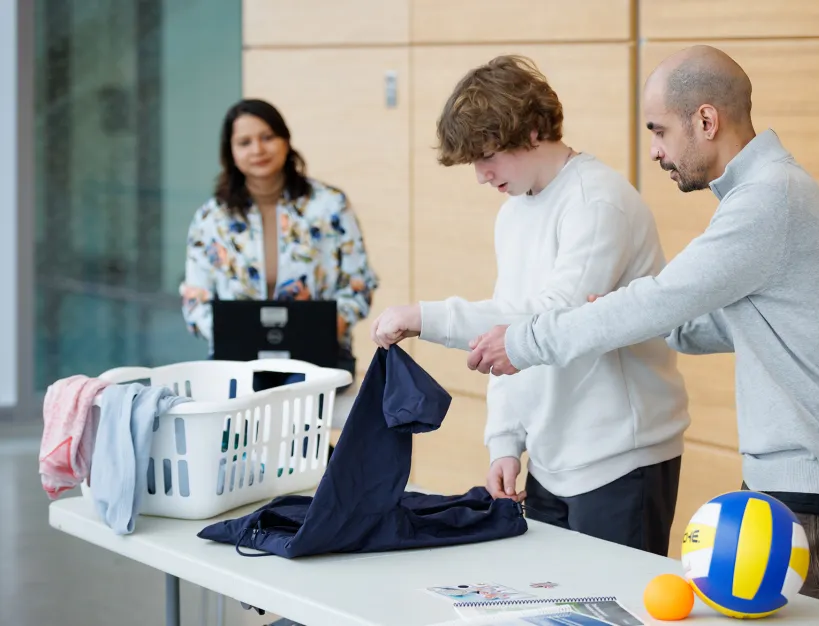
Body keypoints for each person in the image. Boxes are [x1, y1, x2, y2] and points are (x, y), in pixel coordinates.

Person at [466, 45, 819, 614]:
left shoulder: (768, 201)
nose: (655, 150)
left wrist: (523, 341)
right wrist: (623, 311)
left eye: (660, 130)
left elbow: (663, 299)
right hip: (793, 491)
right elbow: (703, 321)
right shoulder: (766, 195)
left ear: (706, 120)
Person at [370, 55, 690, 556]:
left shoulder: (595, 201)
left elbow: (551, 322)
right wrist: (504, 440)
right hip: (553, 456)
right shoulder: (514, 213)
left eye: (488, 155)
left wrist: (426, 318)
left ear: (536, 129)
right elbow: (509, 326)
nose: (481, 175)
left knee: (615, 611)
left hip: (621, 455)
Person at [180, 98, 379, 391]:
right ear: (231, 152)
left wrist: (332, 324)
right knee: (243, 400)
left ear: (285, 140)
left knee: (296, 399)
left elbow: (359, 284)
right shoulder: (211, 218)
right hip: (237, 361)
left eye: (267, 137)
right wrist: (227, 333)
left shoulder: (330, 205)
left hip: (318, 357)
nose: (258, 150)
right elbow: (195, 300)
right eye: (244, 142)